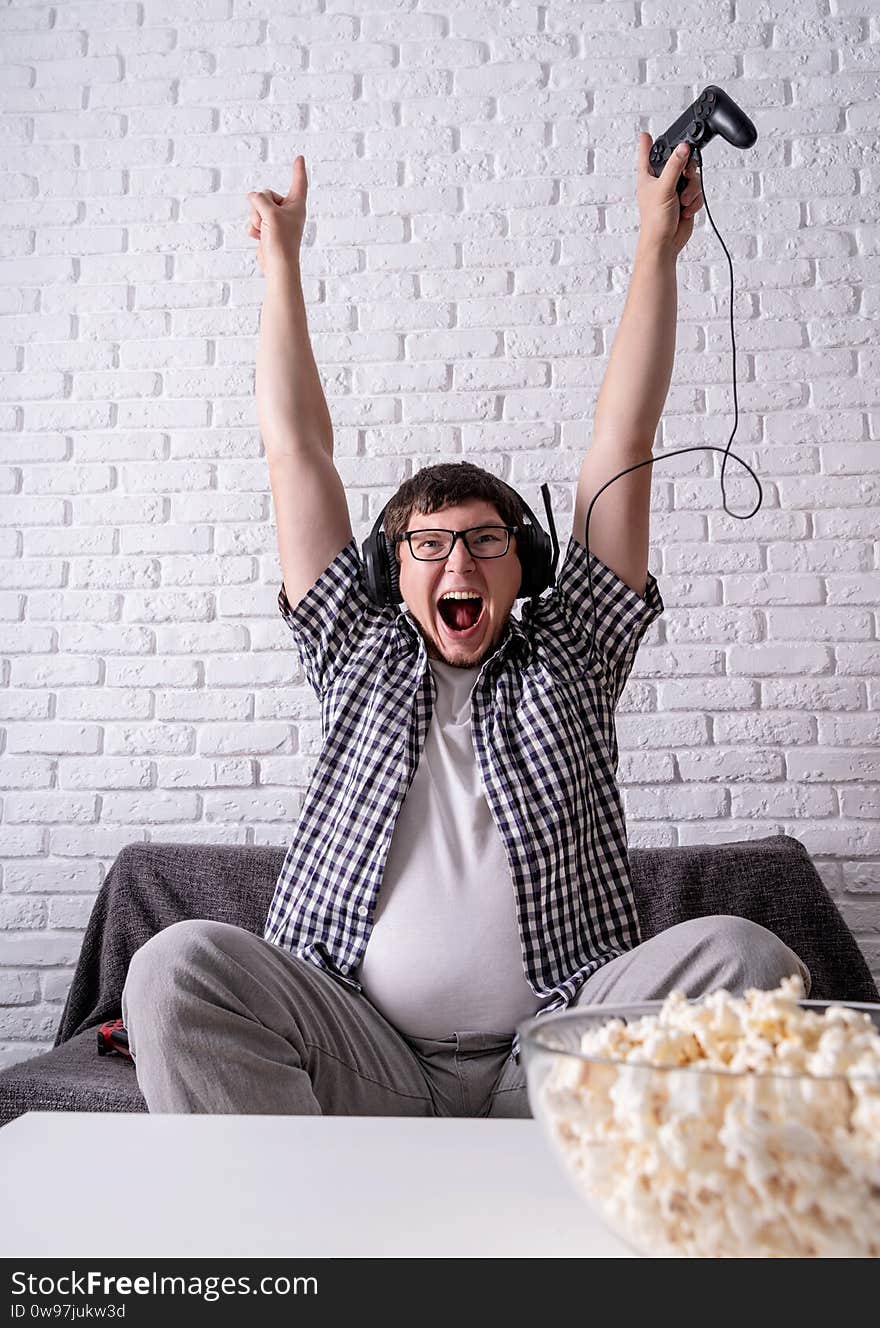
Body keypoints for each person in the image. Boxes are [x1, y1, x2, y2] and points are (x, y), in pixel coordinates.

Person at [121, 139, 810, 1116]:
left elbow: (621, 442)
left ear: (522, 564)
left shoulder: (573, 651)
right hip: (360, 1049)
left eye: (484, 541)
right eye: (430, 544)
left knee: (748, 957)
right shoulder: (352, 651)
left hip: (560, 1058)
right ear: (388, 574)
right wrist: (279, 261)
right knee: (171, 965)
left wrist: (657, 244)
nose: (457, 563)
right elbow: (295, 453)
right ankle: (287, 1231)